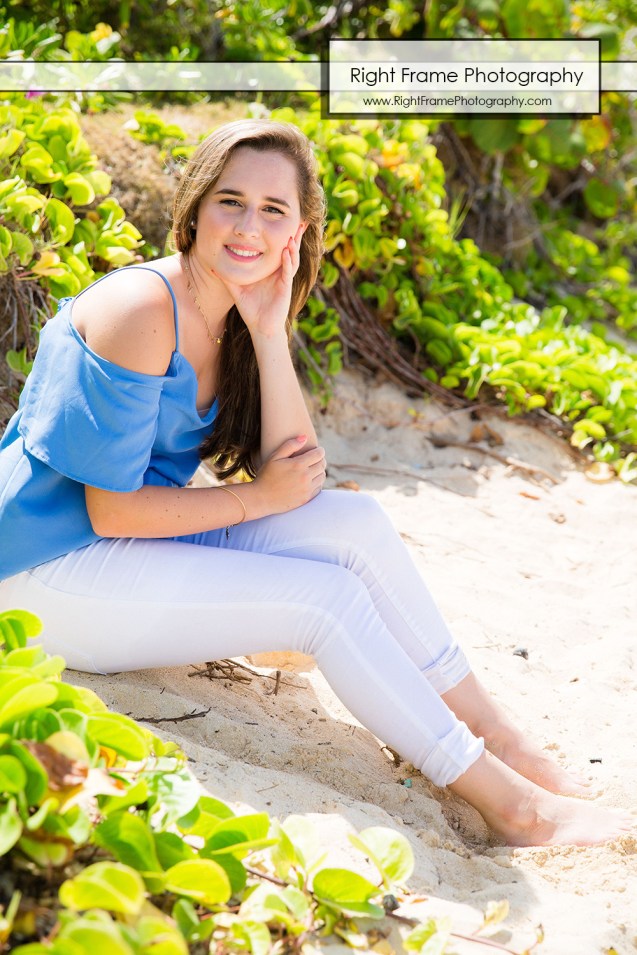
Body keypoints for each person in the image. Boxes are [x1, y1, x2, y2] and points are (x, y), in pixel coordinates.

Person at [0, 119, 631, 848]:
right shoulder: (141, 309)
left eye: (273, 210)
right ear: (195, 208)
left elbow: (297, 469)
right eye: (229, 200)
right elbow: (109, 511)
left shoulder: (236, 308)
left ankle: (495, 733)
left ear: (299, 230)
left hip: (116, 543)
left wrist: (269, 333)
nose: (247, 226)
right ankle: (513, 806)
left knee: (353, 526)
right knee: (322, 602)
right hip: (40, 570)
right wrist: (256, 498)